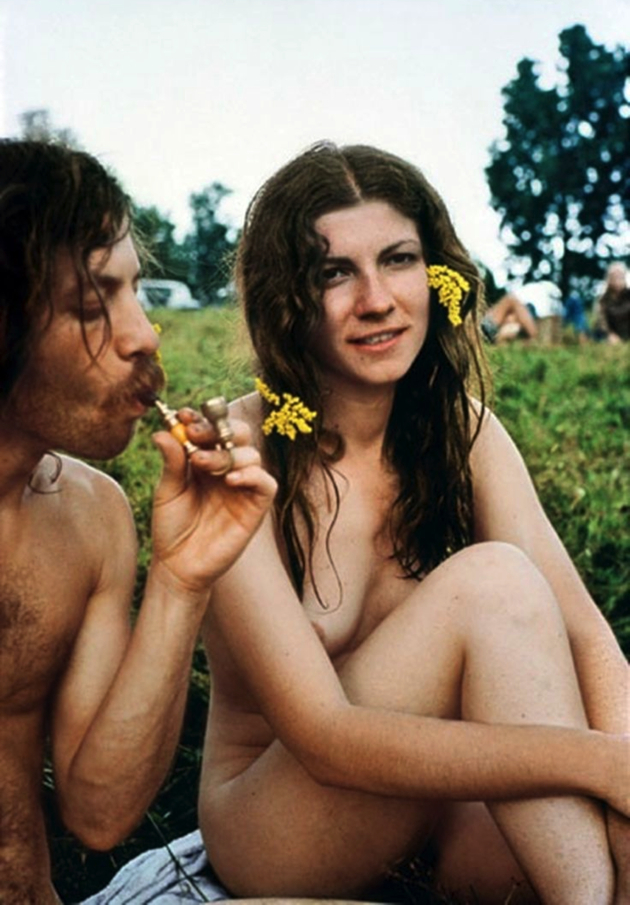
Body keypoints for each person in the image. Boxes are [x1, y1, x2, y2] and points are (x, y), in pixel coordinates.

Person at [192, 143, 629, 905]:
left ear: (436, 276)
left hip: (437, 802)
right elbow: (324, 738)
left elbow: (586, 637)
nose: (377, 300)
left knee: (602, 844)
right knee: (494, 582)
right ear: (285, 297)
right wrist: (599, 764)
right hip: (282, 822)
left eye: (398, 260)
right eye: (334, 273)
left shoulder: (462, 431)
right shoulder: (241, 456)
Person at [0, 139, 276, 905]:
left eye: (133, 293)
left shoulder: (91, 515)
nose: (144, 335)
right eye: (95, 306)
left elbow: (100, 813)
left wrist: (182, 580)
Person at [593, 262, 630, 343]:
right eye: (614, 277)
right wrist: (610, 334)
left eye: (620, 277)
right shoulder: (603, 298)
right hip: (610, 333)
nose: (617, 280)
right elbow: (602, 320)